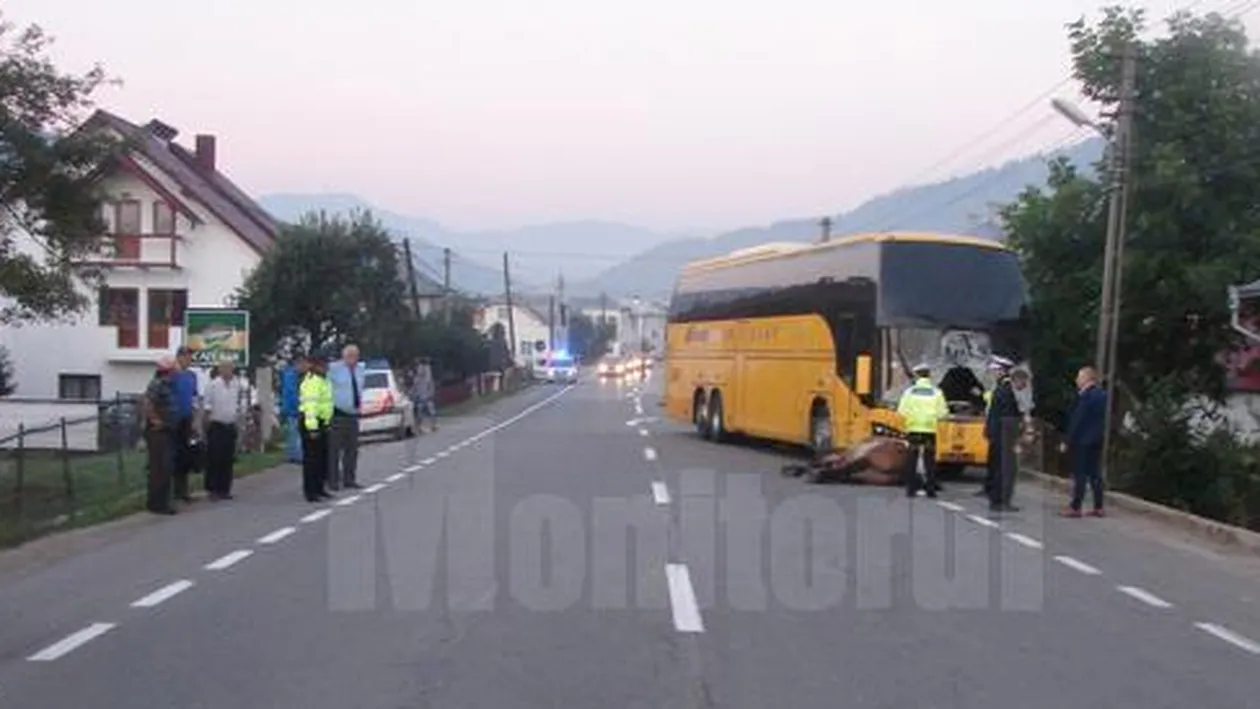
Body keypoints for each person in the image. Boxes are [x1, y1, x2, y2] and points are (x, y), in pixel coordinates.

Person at [1061, 366, 1107, 517]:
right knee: (1095, 473)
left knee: (1080, 473)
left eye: (1079, 377)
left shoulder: (1085, 396)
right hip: (1097, 439)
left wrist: (1067, 440)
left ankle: (1075, 507)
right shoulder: (1102, 395)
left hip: (1082, 440)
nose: (1076, 380)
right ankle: (1099, 506)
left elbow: (1077, 420)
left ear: (1087, 378)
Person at [897, 363, 948, 498]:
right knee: (929, 460)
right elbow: (943, 413)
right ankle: (930, 489)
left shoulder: (909, 392)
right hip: (930, 430)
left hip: (913, 429)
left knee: (912, 459)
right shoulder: (937, 393)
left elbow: (901, 411)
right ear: (929, 376)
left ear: (917, 375)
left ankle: (910, 489)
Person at [984, 356, 1022, 512]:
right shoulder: (1005, 390)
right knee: (1004, 469)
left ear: (1002, 371)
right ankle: (1000, 500)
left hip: (998, 434)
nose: (994, 373)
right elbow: (1009, 416)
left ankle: (996, 499)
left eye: (996, 370)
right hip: (1003, 435)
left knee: (998, 468)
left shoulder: (1002, 389)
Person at [142, 356, 179, 515]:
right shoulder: (157, 384)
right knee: (160, 467)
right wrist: (155, 420)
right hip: (158, 432)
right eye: (173, 370)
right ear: (168, 371)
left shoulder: (168, 384)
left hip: (168, 430)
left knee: (166, 467)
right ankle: (158, 503)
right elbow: (147, 402)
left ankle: (162, 501)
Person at [326, 344, 365, 490]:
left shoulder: (361, 370)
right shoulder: (334, 369)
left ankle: (350, 479)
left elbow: (360, 388)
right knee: (334, 450)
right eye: (350, 356)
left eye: (355, 356)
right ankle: (333, 480)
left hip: (353, 414)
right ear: (344, 356)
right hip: (337, 414)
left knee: (352, 449)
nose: (353, 359)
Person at [203, 360, 243, 500]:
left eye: (230, 368)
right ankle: (212, 489)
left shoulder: (236, 384)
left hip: (230, 424)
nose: (227, 371)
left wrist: (238, 423)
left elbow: (238, 405)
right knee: (214, 458)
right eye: (224, 368)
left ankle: (224, 489)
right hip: (216, 424)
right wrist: (205, 425)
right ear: (220, 370)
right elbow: (207, 406)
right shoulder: (213, 385)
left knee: (227, 458)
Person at [299, 353, 334, 503]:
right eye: (323, 365)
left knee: (322, 458)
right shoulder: (313, 382)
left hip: (322, 422)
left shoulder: (324, 380)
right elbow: (311, 407)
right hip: (310, 422)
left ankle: (319, 488)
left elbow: (326, 403)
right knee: (312, 460)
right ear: (316, 366)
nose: (326, 367)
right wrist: (313, 428)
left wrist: (326, 423)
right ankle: (311, 492)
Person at [171, 346, 201, 503]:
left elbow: (195, 398)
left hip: (187, 419)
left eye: (190, 357)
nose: (189, 360)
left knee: (186, 455)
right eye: (187, 357)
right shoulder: (172, 375)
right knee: (174, 455)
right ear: (179, 357)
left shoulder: (192, 376)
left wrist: (196, 419)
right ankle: (174, 490)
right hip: (174, 419)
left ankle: (184, 491)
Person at [280, 357, 305, 464]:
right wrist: (299, 407)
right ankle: (297, 456)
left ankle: (291, 455)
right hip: (293, 409)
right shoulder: (291, 376)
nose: (303, 368)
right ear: (297, 364)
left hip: (289, 408)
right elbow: (292, 395)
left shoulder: (289, 375)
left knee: (292, 433)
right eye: (301, 365)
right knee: (295, 433)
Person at [411, 359, 438, 432]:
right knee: (420, 413)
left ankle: (434, 425)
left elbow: (431, 386)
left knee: (432, 412)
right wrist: (413, 395)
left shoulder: (427, 377)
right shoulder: (417, 379)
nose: (419, 369)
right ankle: (419, 427)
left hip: (427, 397)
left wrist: (431, 394)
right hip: (420, 397)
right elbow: (414, 388)